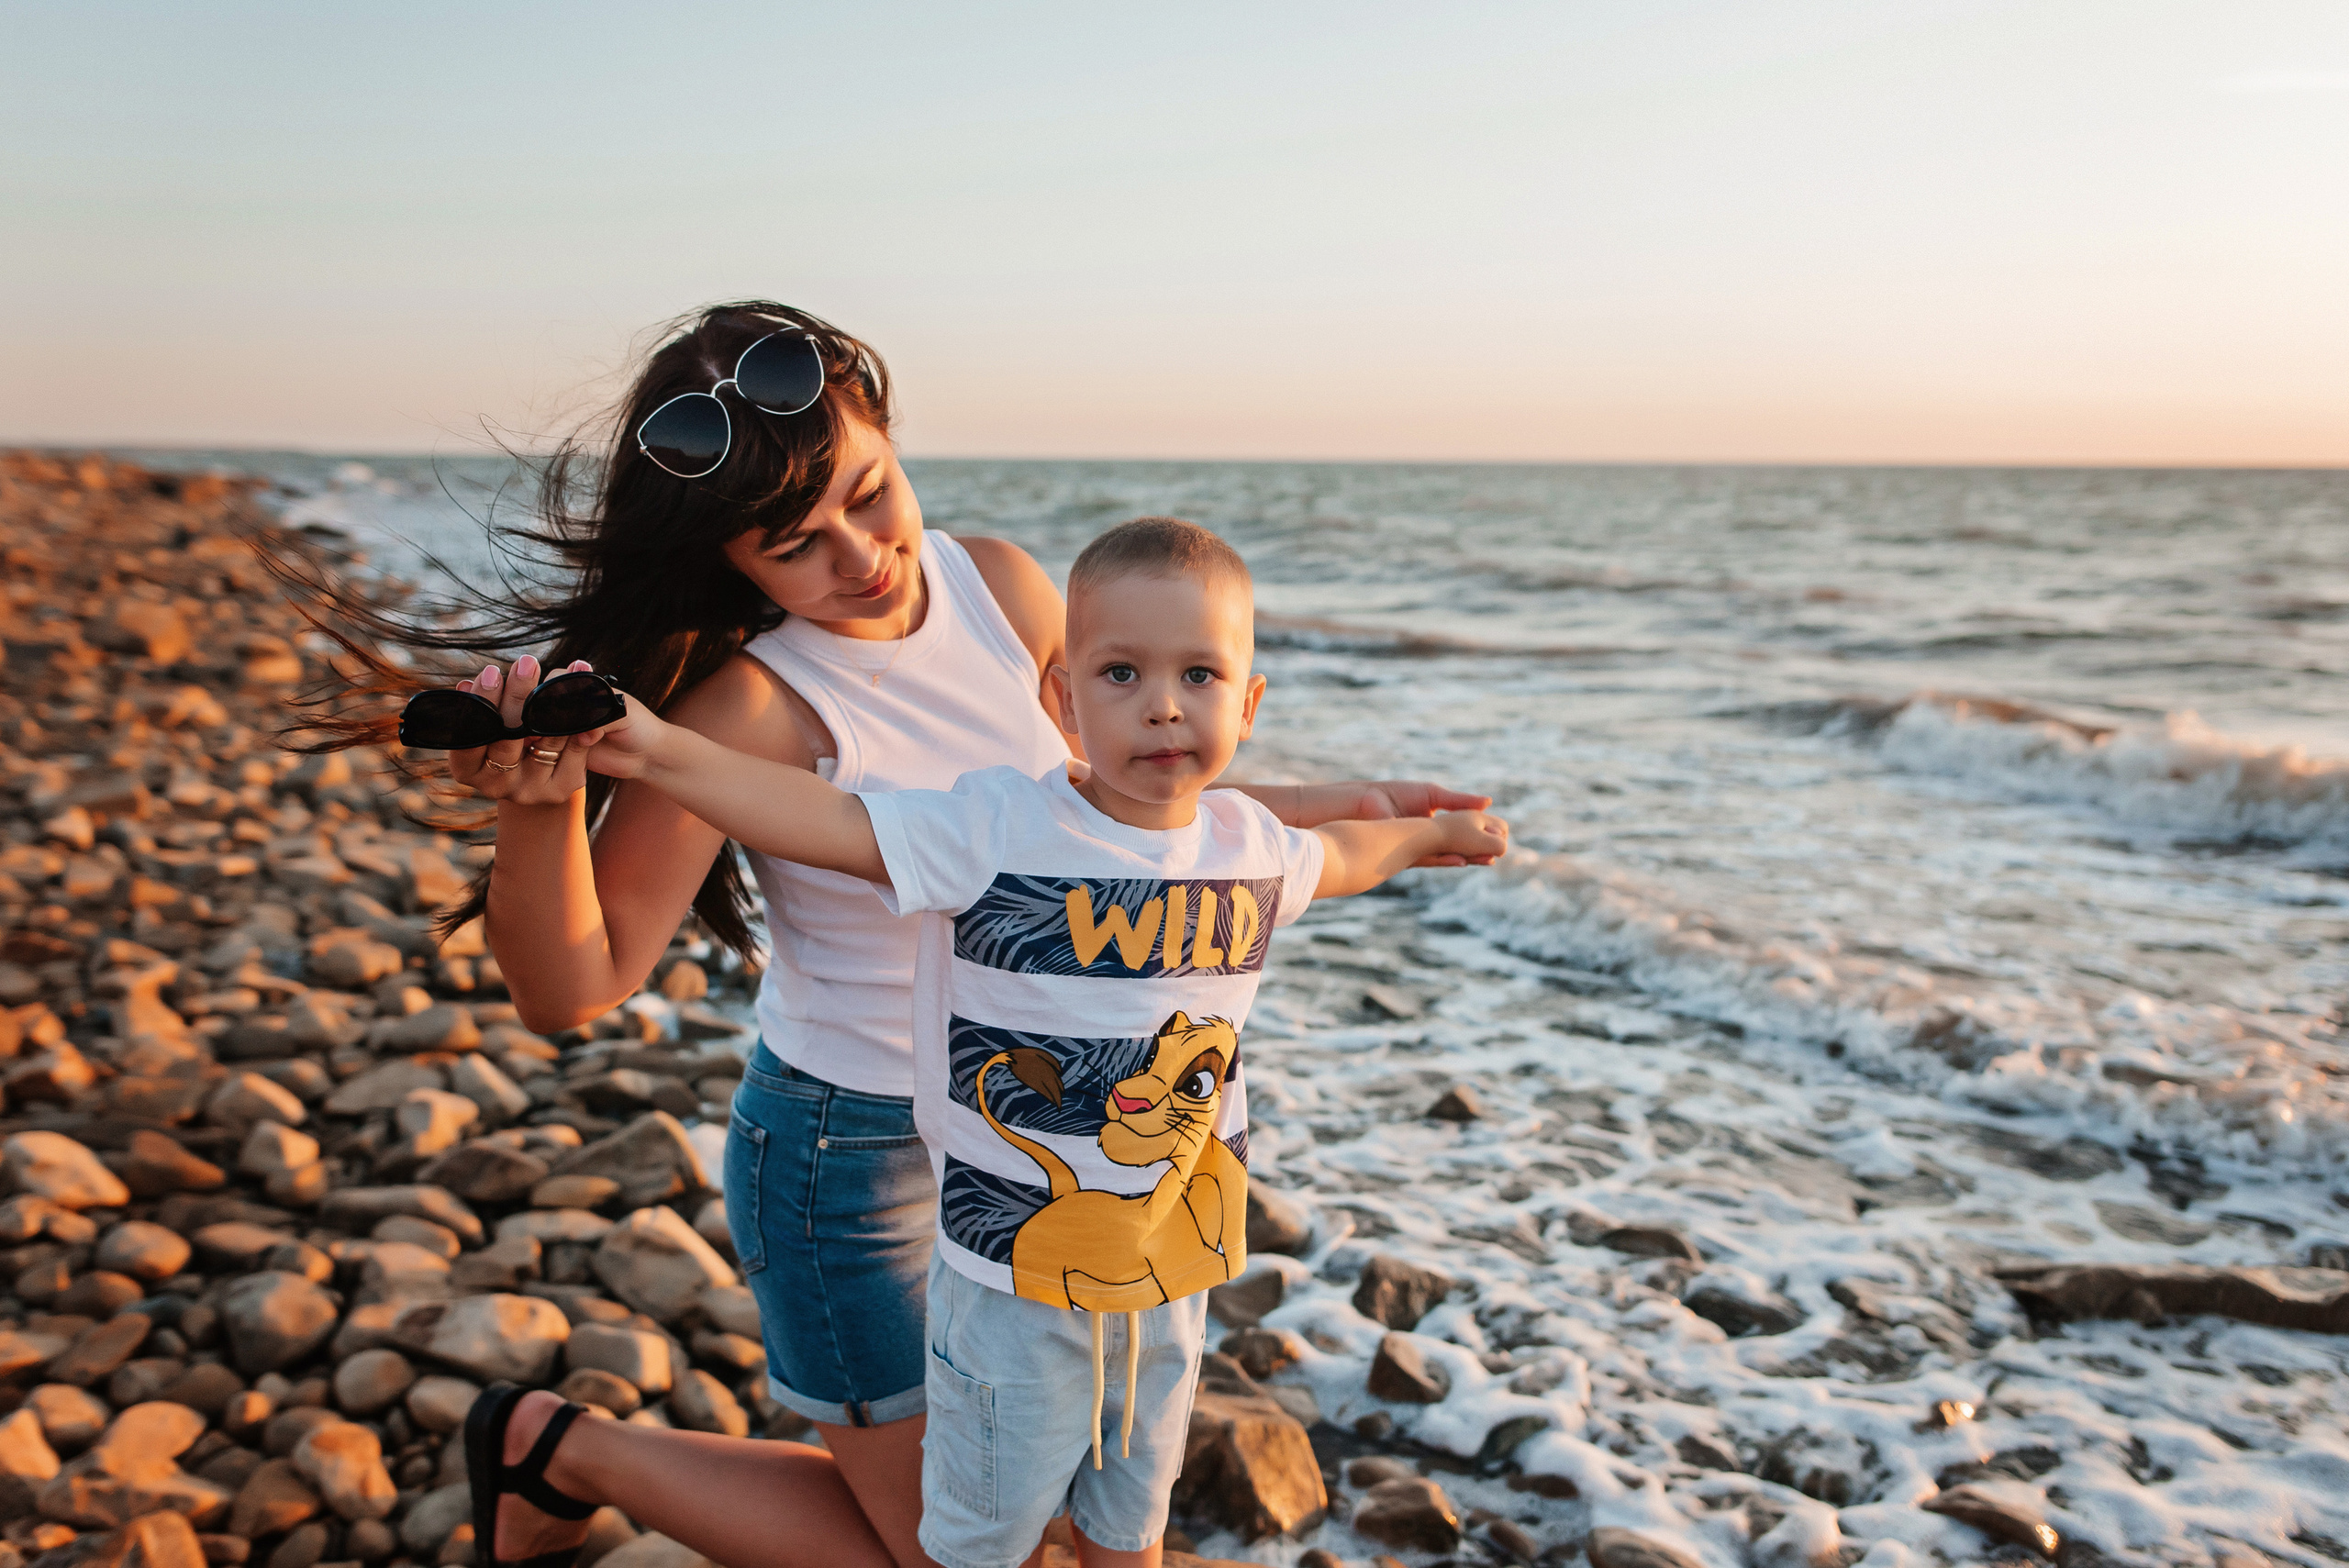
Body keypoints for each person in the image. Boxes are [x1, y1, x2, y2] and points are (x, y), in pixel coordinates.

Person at [390, 303, 1496, 1568]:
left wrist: (1351, 808)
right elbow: (571, 988)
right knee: (956, 1554)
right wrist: (536, 815)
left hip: (1041, 1140)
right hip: (852, 1161)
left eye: (870, 494)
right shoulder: (751, 711)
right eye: (796, 547)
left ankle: (565, 1454)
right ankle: (559, 1448)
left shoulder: (1001, 588)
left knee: (1037, 1516)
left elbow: (1112, 812)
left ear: (886, 427)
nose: (863, 556)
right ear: (733, 561)